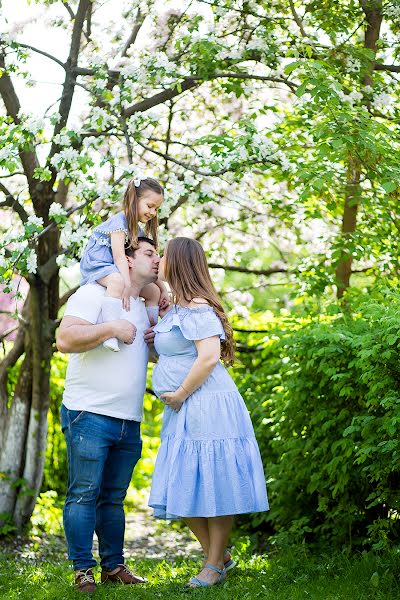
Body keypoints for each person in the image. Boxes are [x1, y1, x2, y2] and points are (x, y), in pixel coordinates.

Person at [147, 237, 269, 588]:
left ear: (180, 263)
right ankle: (220, 556)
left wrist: (181, 393)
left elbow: (208, 357)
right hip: (184, 406)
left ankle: (213, 565)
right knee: (184, 481)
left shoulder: (199, 307)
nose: (158, 261)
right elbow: (178, 354)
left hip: (205, 402)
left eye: (164, 256)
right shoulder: (178, 308)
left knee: (213, 480)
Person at [56, 237, 160, 594]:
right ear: (127, 260)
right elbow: (65, 339)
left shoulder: (146, 305)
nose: (157, 258)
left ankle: (113, 566)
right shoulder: (93, 294)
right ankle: (82, 569)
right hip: (89, 413)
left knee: (113, 497)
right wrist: (111, 329)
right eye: (149, 253)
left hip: (129, 420)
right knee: (84, 493)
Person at [80, 176, 169, 352]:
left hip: (115, 266)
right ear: (134, 200)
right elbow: (120, 257)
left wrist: (164, 289)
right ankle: (111, 331)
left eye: (156, 209)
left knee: (153, 291)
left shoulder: (137, 229)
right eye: (150, 206)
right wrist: (127, 281)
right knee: (117, 282)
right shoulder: (118, 223)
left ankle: (152, 331)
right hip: (99, 264)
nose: (153, 212)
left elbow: (144, 262)